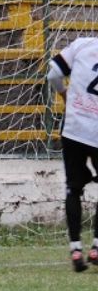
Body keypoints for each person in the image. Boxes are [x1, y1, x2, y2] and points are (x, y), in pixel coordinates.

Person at [47, 37, 98, 272]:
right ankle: (96, 246)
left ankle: (76, 249)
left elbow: (53, 74)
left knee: (73, 188)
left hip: (74, 128)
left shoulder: (81, 45)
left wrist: (65, 95)